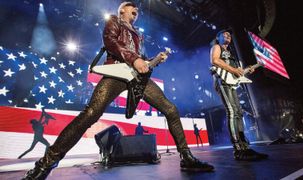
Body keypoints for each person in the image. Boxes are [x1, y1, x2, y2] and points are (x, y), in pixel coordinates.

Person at [23, 2, 213, 179]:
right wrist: (134, 59)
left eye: (137, 10)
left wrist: (154, 59)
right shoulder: (114, 21)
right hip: (116, 72)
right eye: (132, 8)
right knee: (91, 113)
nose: (136, 11)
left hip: (136, 77)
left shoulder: (138, 34)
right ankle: (45, 164)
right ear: (122, 10)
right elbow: (111, 42)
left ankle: (186, 158)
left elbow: (141, 59)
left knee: (171, 109)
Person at [210, 29, 268, 161]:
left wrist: (247, 70)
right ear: (217, 38)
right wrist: (234, 70)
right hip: (222, 81)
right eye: (224, 34)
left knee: (238, 112)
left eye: (229, 35)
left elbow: (237, 73)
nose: (228, 36)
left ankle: (244, 146)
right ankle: (237, 148)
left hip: (231, 83)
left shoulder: (231, 54)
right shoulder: (216, 47)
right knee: (231, 111)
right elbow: (215, 61)